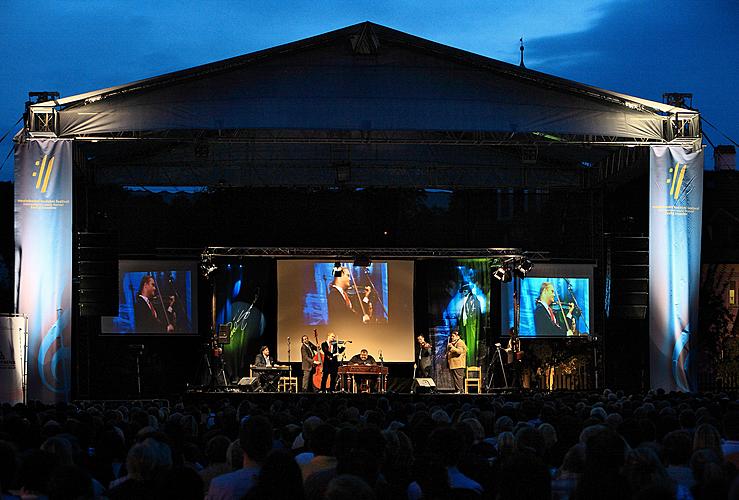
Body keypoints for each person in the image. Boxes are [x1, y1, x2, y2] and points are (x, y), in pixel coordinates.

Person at [456, 283, 480, 365]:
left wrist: (470, 322)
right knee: (465, 344)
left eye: (465, 290)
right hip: (466, 325)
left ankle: (471, 363)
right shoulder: (466, 299)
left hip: (470, 325)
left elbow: (474, 313)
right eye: (463, 291)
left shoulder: (473, 298)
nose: (463, 292)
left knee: (471, 344)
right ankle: (467, 362)